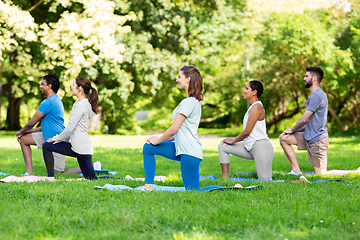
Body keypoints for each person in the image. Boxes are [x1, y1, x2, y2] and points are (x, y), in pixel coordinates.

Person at [279, 66, 360, 176]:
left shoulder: (317, 96)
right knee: (284, 139)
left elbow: (304, 119)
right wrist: (291, 132)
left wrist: (292, 129)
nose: (304, 78)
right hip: (308, 136)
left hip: (317, 140)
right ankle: (296, 171)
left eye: (306, 76)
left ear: (314, 79)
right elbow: (308, 122)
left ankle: (356, 172)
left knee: (322, 174)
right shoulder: (315, 95)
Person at [143, 65, 204, 190]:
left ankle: (231, 188)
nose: (177, 80)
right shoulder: (191, 101)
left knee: (193, 191)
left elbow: (173, 129)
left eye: (179, 77)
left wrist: (158, 140)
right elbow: (179, 132)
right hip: (180, 148)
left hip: (189, 152)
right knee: (148, 148)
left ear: (188, 79)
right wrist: (161, 141)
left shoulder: (190, 102)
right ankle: (148, 186)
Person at [42, 77, 98, 180]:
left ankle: (124, 179)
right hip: (76, 146)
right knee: (47, 146)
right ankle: (50, 178)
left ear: (80, 88)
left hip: (81, 149)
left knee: (91, 178)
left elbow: (70, 127)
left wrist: (56, 139)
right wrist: (57, 140)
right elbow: (72, 129)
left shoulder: (81, 105)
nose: (71, 87)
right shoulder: (80, 103)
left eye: (73, 85)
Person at [218, 81, 274, 181]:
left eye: (247, 88)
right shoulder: (252, 107)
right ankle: (225, 180)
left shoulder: (257, 106)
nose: (244, 91)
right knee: (223, 146)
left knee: (266, 182)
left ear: (254, 92)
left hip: (261, 147)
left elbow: (247, 131)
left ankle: (299, 181)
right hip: (249, 146)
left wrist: (234, 140)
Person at [15, 74, 66, 175]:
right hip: (47, 136)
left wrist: (21, 131)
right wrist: (24, 133)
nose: (40, 86)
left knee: (58, 173)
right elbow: (42, 127)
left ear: (49, 86)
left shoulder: (48, 102)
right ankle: (29, 172)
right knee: (23, 139)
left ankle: (91, 166)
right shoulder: (56, 99)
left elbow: (31, 123)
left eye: (42, 84)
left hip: (57, 140)